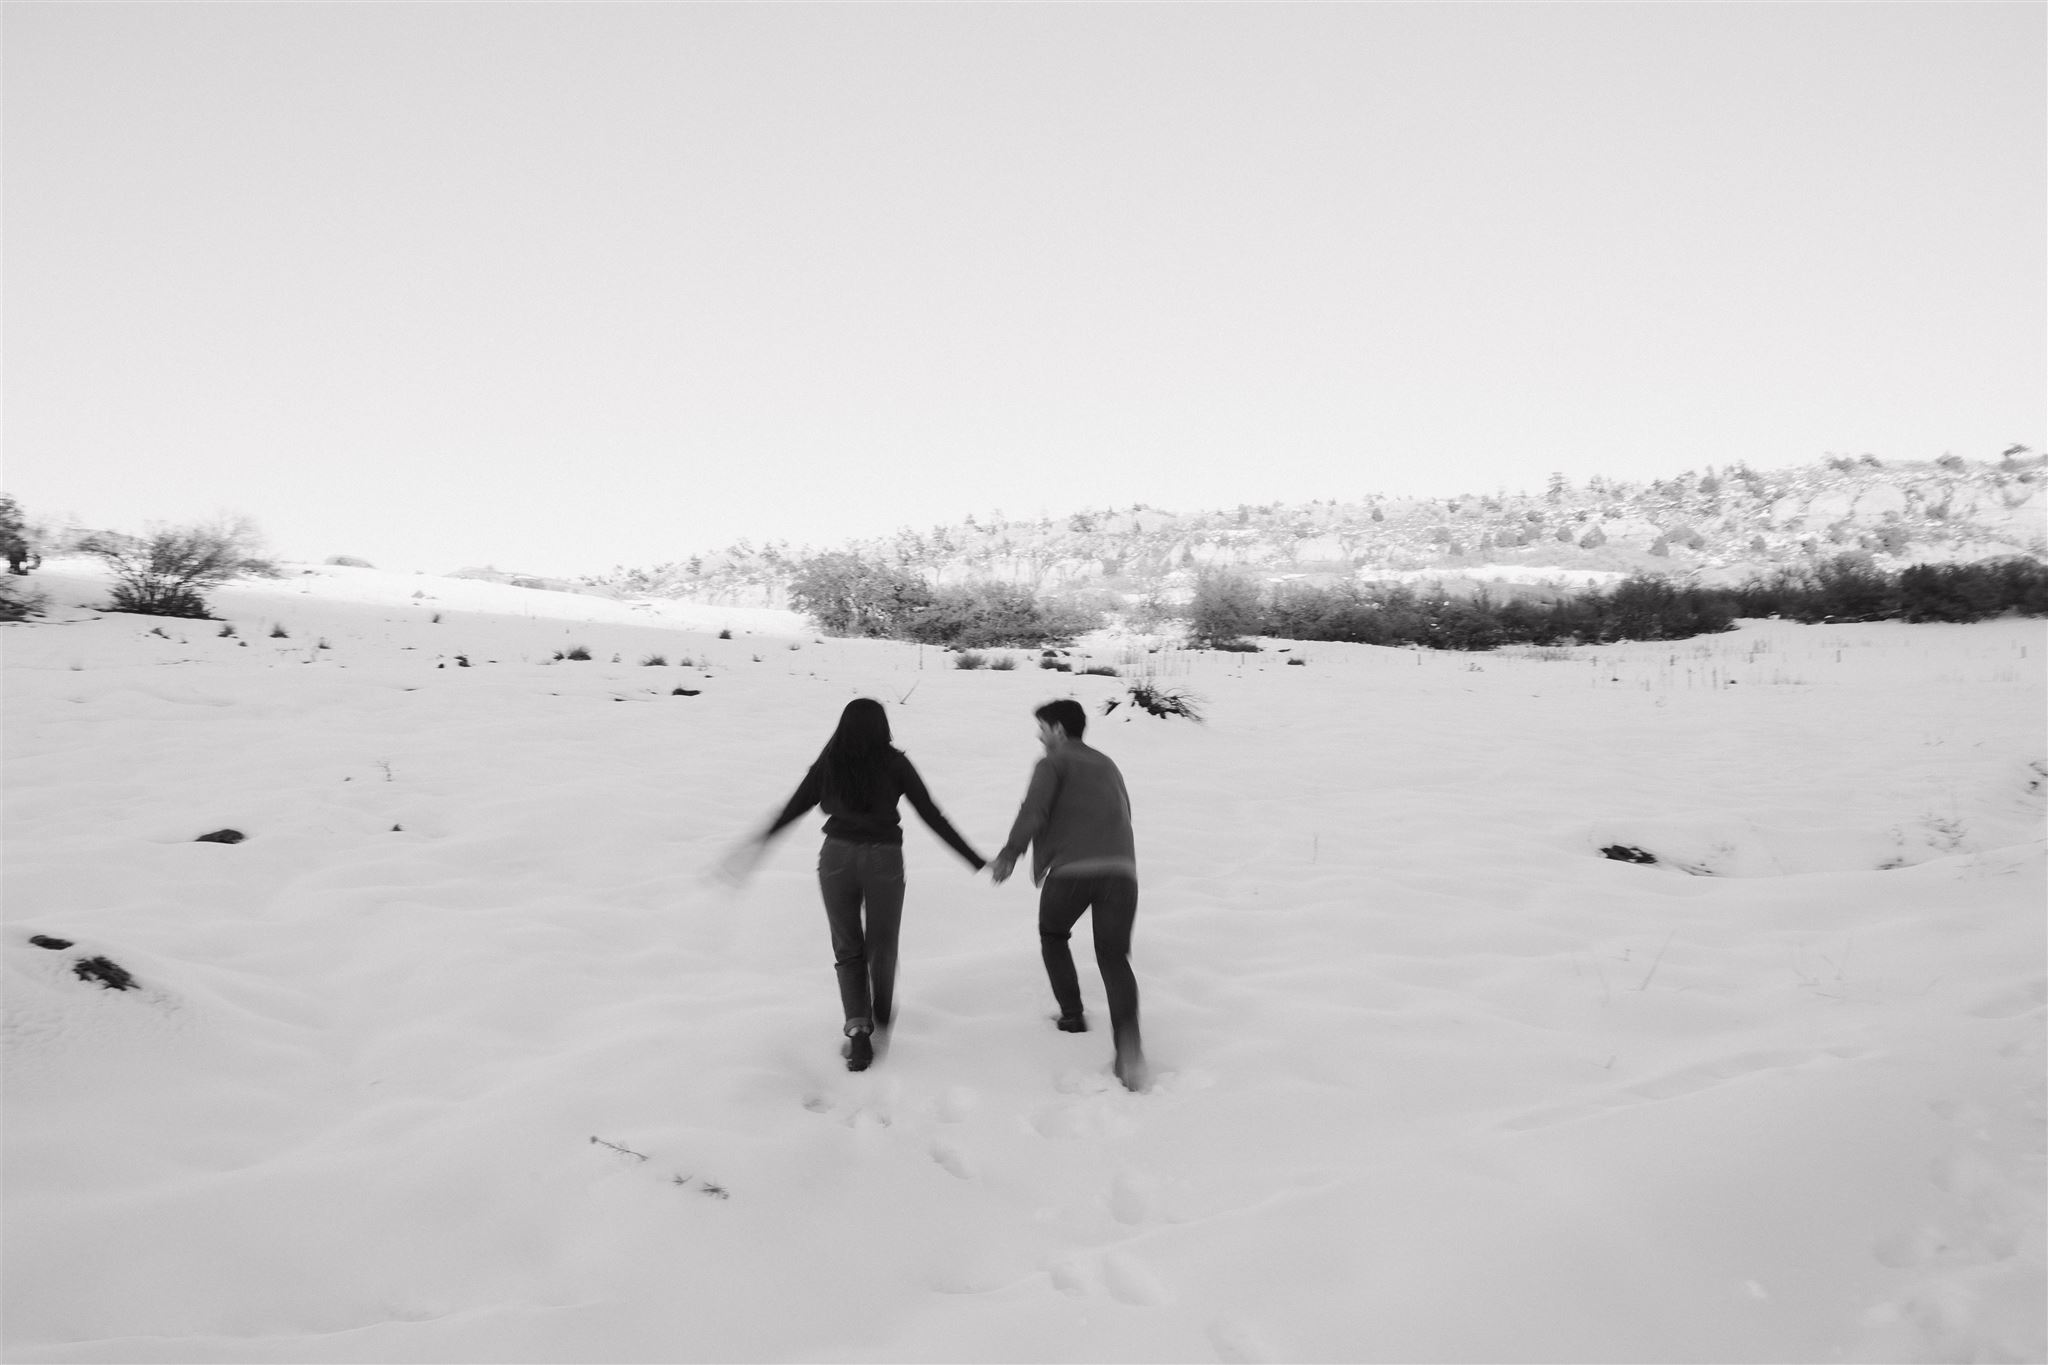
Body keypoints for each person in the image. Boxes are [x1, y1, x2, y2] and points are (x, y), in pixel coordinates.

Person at [722, 698, 985, 1071]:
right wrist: (973, 858)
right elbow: (931, 814)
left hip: (836, 858)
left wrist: (757, 843)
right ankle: (881, 1019)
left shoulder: (829, 762)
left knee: (848, 946)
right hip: (883, 859)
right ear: (883, 727)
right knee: (883, 944)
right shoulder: (895, 763)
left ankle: (858, 1031)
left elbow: (793, 807)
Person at [989, 698, 1148, 1091]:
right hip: (1122, 872)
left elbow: (1035, 811)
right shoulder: (1108, 764)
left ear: (1059, 730)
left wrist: (1011, 853)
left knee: (1053, 934)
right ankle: (1128, 1046)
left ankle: (1072, 1014)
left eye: (1042, 727)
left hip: (1073, 871)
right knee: (1114, 958)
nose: (1039, 736)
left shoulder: (1053, 762)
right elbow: (1124, 812)